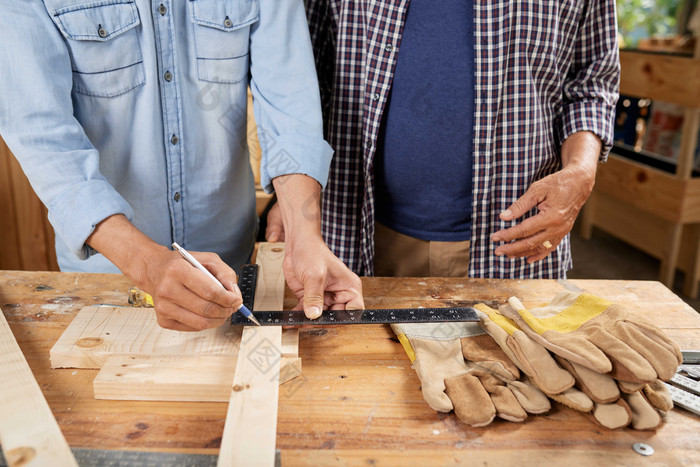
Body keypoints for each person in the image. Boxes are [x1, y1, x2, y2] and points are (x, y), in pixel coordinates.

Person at [0, 0, 363, 331]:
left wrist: (304, 236)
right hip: (106, 281)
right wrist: (147, 264)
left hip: (234, 273)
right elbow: (42, 136)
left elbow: (289, 104)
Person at [266, 0, 619, 279]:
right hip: (352, 230)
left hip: (518, 240)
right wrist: (296, 192)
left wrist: (581, 171)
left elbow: (592, 83)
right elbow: (302, 76)